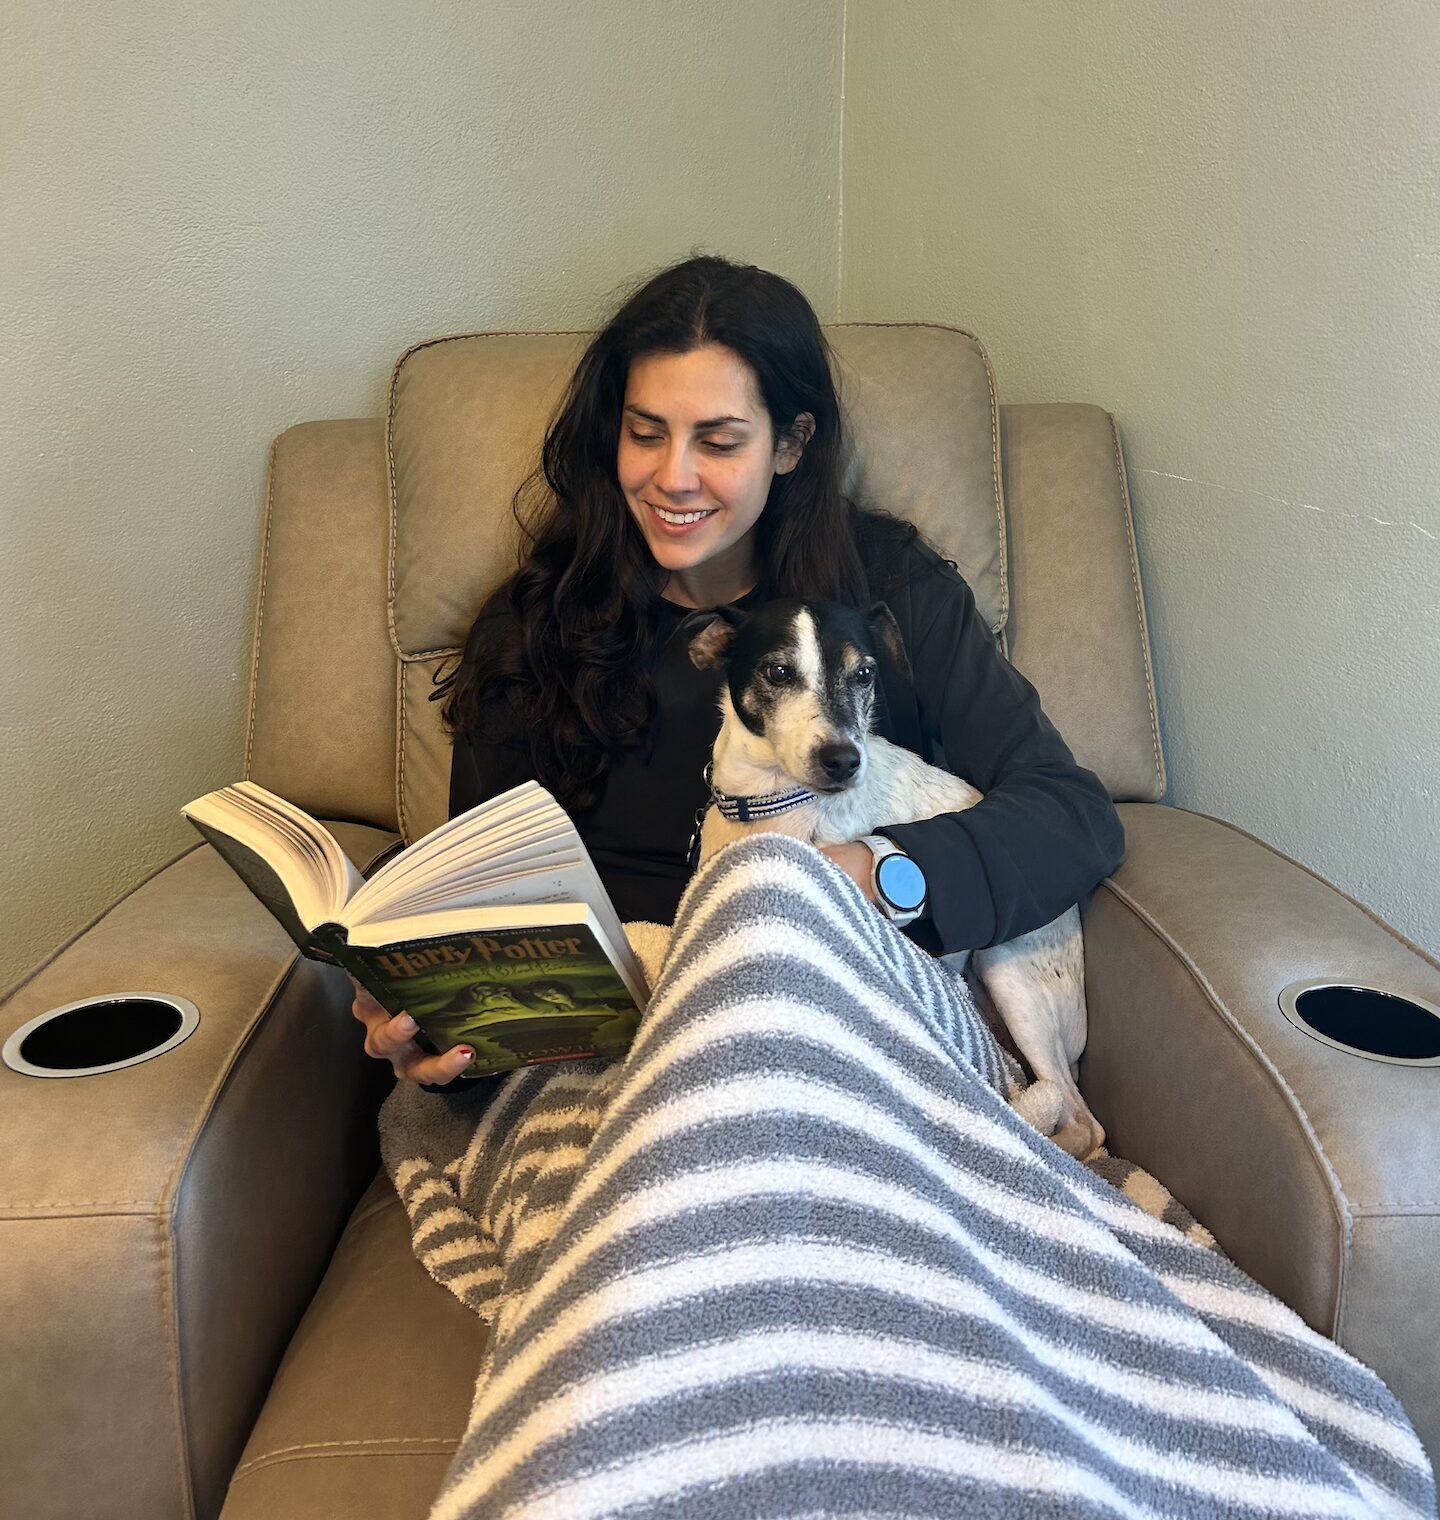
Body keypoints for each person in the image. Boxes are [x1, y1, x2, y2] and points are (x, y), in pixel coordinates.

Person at [352, 252, 1126, 1088]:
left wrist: (869, 872)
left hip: (846, 1026)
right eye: (645, 433)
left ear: (790, 445)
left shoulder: (891, 594)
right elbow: (471, 883)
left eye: (718, 441)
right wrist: (422, 1014)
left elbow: (1072, 816)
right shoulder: (534, 626)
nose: (673, 478)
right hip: (599, 1052)